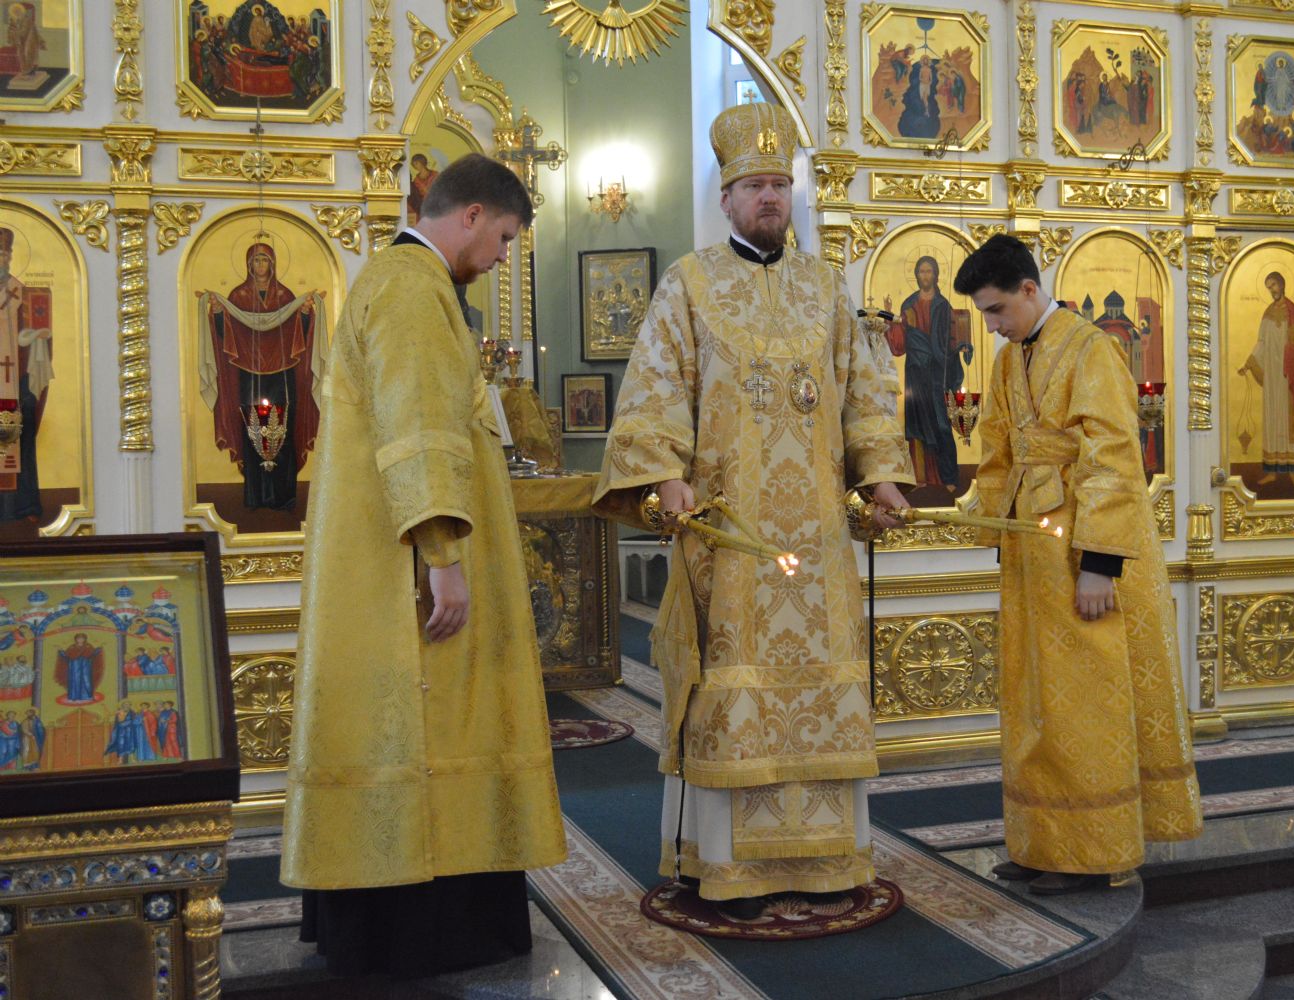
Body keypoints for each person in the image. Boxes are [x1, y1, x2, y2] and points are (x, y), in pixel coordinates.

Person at [592, 102, 914, 918]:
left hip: (819, 540)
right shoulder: (689, 283)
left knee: (822, 691)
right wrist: (664, 477)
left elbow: (863, 391)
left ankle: (829, 861)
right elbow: (655, 390)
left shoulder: (825, 287)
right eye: (754, 185)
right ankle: (729, 867)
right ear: (727, 198)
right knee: (731, 694)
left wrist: (882, 475)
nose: (771, 196)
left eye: (779, 183)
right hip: (730, 540)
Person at [281, 153, 566, 978]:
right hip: (405, 563)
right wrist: (443, 556)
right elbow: (419, 428)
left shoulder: (402, 281)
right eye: (504, 237)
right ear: (471, 215)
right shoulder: (414, 289)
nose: (503, 256)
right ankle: (428, 933)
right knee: (433, 724)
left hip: (385, 553)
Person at [954, 234, 1201, 895]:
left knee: (1087, 701)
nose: (993, 325)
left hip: (1083, 554)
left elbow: (1113, 455)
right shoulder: (1010, 359)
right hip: (1030, 553)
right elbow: (997, 448)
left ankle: (1095, 851)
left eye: (998, 310)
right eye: (984, 314)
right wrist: (984, 521)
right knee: (1036, 700)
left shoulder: (1092, 348)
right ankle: (1044, 842)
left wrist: (1099, 563)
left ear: (1029, 290)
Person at [197, 242, 327, 512]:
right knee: (251, 429)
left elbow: (299, 333)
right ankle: (256, 496)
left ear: (273, 264)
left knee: (284, 429)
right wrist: (219, 312)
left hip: (282, 373)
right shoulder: (238, 296)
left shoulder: (284, 295)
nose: (260, 265)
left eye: (265, 260)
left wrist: (304, 313)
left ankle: (285, 496)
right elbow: (225, 334)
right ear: (248, 265)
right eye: (256, 260)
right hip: (248, 373)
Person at [885, 255, 971, 493]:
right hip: (915, 374)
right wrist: (891, 319)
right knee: (916, 427)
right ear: (916, 275)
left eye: (929, 271)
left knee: (941, 425)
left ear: (935, 275)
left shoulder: (943, 306)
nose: (925, 275)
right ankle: (919, 477)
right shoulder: (909, 305)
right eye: (921, 271)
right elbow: (899, 346)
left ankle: (948, 477)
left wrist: (961, 346)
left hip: (937, 374)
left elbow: (952, 337)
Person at [1238, 272, 1294, 489]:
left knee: (1290, 421)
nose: (1272, 290)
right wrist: (1248, 363)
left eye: (1274, 285)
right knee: (1272, 419)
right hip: (1272, 377)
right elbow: (1261, 343)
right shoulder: (1268, 313)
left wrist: (1292, 355)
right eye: (1268, 287)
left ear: (1282, 284)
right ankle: (1272, 471)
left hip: (1290, 377)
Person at [0, 225, 54, 523]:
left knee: (22, 433)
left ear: (10, 257)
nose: (1, 257)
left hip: (16, 380)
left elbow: (35, 338)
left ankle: (24, 506)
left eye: (5, 253)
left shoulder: (22, 293)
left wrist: (38, 336)